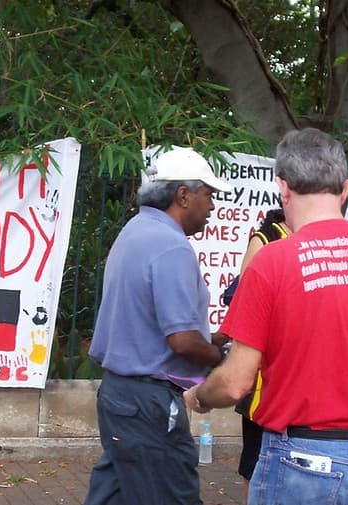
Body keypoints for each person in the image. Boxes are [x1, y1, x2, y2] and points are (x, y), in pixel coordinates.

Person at [184, 127, 348, 505]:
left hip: (302, 461)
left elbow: (235, 383)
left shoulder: (272, 260)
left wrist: (200, 396)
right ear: (345, 190)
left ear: (283, 189)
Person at [84, 147, 232, 505]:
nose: (212, 206)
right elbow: (182, 341)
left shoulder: (135, 230)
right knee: (172, 495)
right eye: (208, 195)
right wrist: (221, 357)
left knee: (115, 494)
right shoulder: (171, 246)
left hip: (120, 396)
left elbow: (145, 323)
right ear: (183, 195)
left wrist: (213, 338)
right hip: (149, 403)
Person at [228, 208, 291, 498]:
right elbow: (246, 303)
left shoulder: (324, 241)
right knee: (256, 460)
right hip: (265, 374)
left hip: (302, 374)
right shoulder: (266, 239)